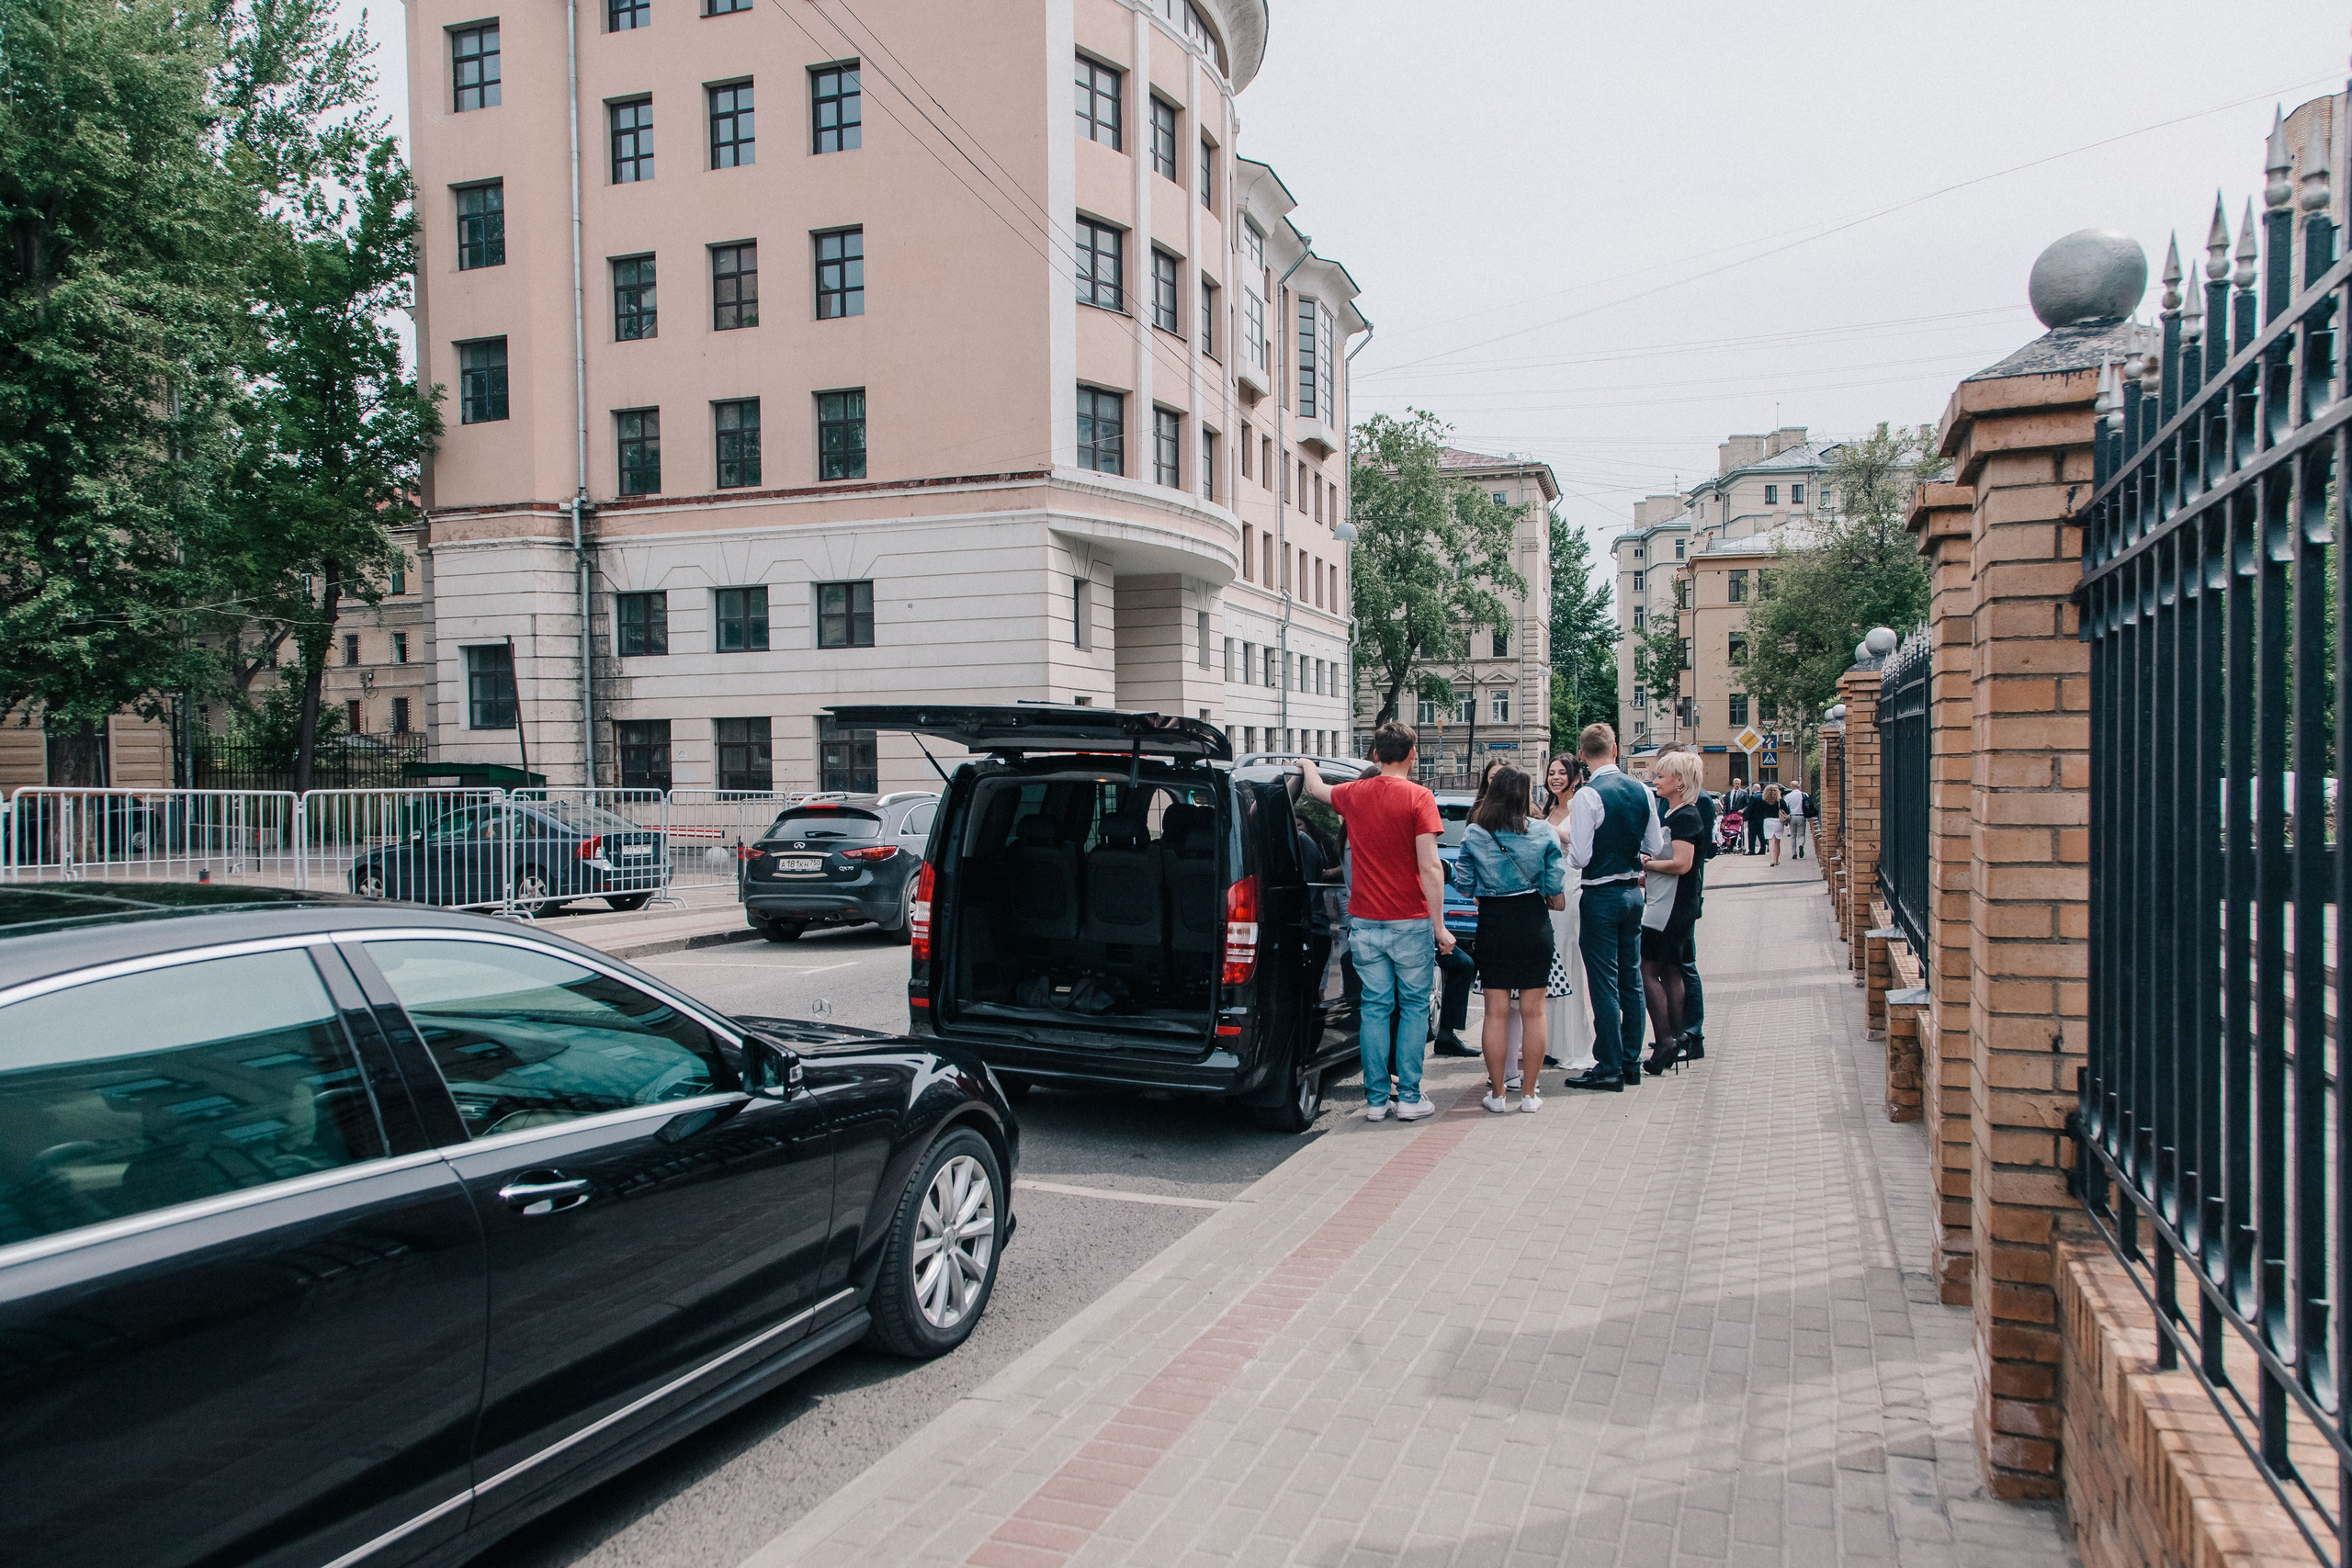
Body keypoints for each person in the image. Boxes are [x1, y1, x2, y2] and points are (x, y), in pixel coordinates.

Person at [1298, 724, 1454, 1122]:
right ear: (1413, 754)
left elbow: (1315, 790)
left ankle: (1375, 1100)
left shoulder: (1354, 793)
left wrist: (1306, 764)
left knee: (1375, 1008)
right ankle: (1410, 1097)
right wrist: (1440, 926)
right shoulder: (1419, 797)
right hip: (1410, 920)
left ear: (1375, 755)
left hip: (1365, 921)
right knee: (1414, 1007)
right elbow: (1430, 866)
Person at [1453, 764, 1566, 1112]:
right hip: (1533, 922)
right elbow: (1554, 885)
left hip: (1494, 924)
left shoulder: (1474, 834)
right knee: (1534, 1012)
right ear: (1524, 794)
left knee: (1495, 1013)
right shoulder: (1544, 832)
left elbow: (1464, 885)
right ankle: (1529, 1095)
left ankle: (1498, 1094)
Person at [1561, 724, 1668, 1092]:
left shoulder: (1589, 795)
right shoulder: (1642, 790)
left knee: (1603, 983)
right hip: (1632, 894)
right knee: (1631, 979)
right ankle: (1630, 1062)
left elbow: (1580, 857)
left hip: (1600, 894)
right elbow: (1654, 846)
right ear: (1616, 749)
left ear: (1582, 756)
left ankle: (1609, 1065)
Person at [1508, 755, 1594, 1077]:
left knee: (1567, 962)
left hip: (1568, 890)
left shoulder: (1578, 809)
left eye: (1562, 773)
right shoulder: (1545, 810)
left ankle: (1569, 1043)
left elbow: (1581, 845)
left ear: (1576, 778)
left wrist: (1548, 829)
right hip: (1543, 893)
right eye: (1552, 773)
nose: (1556, 777)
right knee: (1545, 965)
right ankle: (1544, 1042)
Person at [1638, 750, 1709, 1074]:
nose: (1655, 780)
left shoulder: (1685, 816)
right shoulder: (1676, 813)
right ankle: (1675, 1038)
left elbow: (1682, 864)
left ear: (1679, 781)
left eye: (1661, 776)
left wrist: (1649, 864)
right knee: (1669, 970)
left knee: (1648, 968)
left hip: (1670, 906)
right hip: (1670, 902)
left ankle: (1666, 1039)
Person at [1433, 760, 1504, 1055]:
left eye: (1501, 777)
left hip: (1475, 906)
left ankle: (1448, 1035)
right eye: (1492, 777)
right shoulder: (1477, 816)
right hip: (1475, 905)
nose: (1496, 783)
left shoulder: (1516, 814)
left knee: (1466, 966)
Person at [1783, 782, 1810, 859]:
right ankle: (1801, 845)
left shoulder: (1788, 796)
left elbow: (1786, 807)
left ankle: (1794, 853)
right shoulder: (1804, 794)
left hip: (1792, 816)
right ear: (1798, 786)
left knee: (1793, 836)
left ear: (1791, 787)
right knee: (1801, 835)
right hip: (1801, 816)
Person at [1762, 783, 1785, 865]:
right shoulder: (1780, 801)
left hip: (1768, 821)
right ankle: (1776, 860)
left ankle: (1772, 859)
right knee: (1777, 841)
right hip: (1778, 821)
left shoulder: (1764, 801)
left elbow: (1760, 811)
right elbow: (1786, 810)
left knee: (1771, 841)